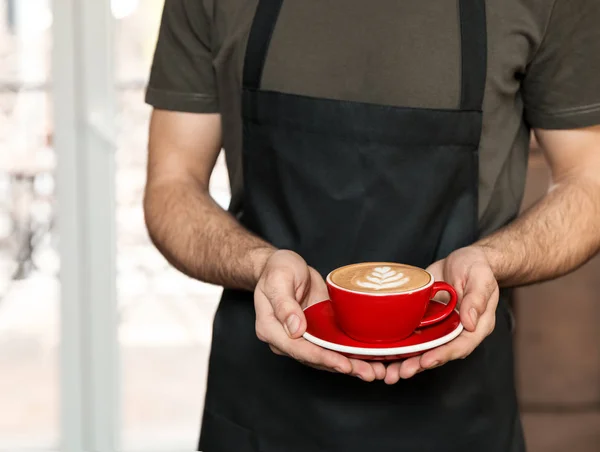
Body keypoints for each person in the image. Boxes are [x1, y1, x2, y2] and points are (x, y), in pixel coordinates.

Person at [143, 1, 600, 451]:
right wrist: (259, 265)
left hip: (459, 418)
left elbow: (589, 188)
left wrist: (491, 261)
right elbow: (171, 186)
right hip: (261, 413)